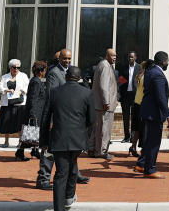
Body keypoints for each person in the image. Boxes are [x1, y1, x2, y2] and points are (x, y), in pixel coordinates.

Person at [40, 66, 92, 211]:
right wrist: (83, 132)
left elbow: (45, 118)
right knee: (72, 167)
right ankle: (68, 198)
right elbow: (92, 119)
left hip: (59, 138)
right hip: (77, 139)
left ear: (66, 76)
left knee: (62, 172)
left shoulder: (54, 92)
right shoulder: (87, 93)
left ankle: (61, 205)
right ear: (79, 77)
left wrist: (43, 141)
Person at [136, 51, 169, 177]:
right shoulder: (158, 75)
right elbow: (160, 97)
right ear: (163, 61)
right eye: (167, 61)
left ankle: (141, 164)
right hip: (154, 113)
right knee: (154, 142)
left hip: (147, 112)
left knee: (148, 140)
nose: (168, 63)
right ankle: (150, 169)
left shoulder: (150, 71)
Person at [88, 48, 118, 159]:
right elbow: (104, 86)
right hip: (104, 105)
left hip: (100, 104)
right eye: (112, 55)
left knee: (98, 128)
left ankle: (92, 148)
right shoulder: (105, 66)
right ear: (107, 56)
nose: (114, 58)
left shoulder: (103, 65)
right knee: (104, 129)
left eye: (115, 56)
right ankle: (101, 151)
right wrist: (106, 102)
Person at [0, 59, 29, 149]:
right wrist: (6, 90)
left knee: (20, 124)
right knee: (6, 122)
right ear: (10, 67)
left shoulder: (23, 76)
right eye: (14, 67)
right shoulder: (5, 77)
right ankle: (6, 141)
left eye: (18, 67)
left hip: (19, 103)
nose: (16, 69)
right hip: (8, 103)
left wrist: (22, 90)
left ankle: (20, 142)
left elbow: (27, 86)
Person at [22, 60, 48, 162]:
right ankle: (20, 151)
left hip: (37, 111)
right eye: (45, 70)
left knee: (34, 133)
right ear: (41, 71)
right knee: (30, 133)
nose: (45, 72)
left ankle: (35, 150)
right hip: (35, 112)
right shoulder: (36, 82)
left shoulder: (36, 80)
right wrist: (32, 113)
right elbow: (33, 98)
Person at [128, 59, 153, 158]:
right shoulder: (146, 76)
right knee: (143, 129)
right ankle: (143, 150)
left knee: (136, 128)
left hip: (136, 103)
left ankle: (133, 147)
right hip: (142, 104)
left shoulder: (140, 74)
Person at [118, 51, 138, 143]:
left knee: (134, 117)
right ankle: (126, 136)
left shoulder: (139, 68)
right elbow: (120, 81)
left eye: (132, 57)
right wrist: (119, 94)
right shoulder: (123, 67)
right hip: (125, 95)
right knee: (125, 117)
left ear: (135, 58)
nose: (130, 58)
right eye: (129, 57)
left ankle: (133, 137)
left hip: (135, 96)